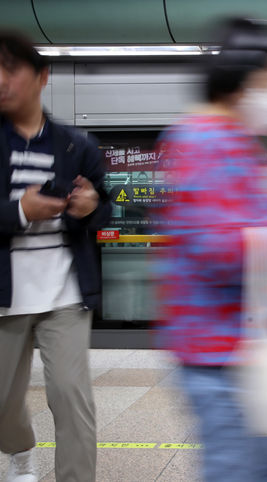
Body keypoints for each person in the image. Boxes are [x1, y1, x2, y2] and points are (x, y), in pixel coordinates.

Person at [155, 18, 267, 481]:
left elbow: (244, 226)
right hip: (213, 350)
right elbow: (220, 246)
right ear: (246, 78)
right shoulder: (202, 140)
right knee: (236, 469)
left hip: (239, 342)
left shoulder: (235, 143)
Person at [0, 31, 111, 482]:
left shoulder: (75, 144)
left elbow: (104, 203)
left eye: (10, 70)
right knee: (3, 400)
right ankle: (19, 449)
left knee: (71, 395)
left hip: (64, 291)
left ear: (42, 77)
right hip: (6, 293)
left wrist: (89, 208)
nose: (1, 81)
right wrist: (20, 211)